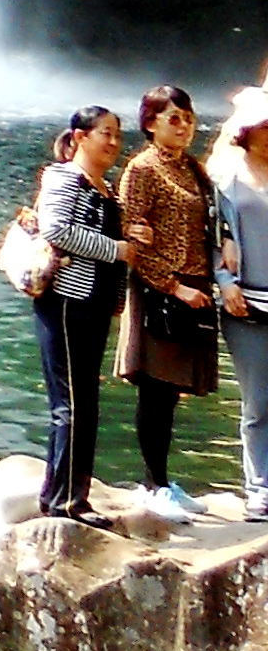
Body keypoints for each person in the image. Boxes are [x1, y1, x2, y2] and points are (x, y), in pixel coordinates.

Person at [118, 83, 224, 520]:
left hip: (194, 289)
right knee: (155, 389)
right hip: (160, 291)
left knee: (172, 391)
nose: (184, 127)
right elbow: (131, 234)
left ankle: (164, 482)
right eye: (173, 119)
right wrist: (172, 285)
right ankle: (152, 484)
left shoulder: (193, 169)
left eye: (188, 119)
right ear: (150, 123)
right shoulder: (142, 169)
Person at [33, 105, 127, 521]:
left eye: (117, 135)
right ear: (80, 137)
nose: (112, 142)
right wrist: (116, 250)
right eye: (105, 133)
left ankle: (64, 495)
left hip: (93, 303)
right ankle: (66, 502)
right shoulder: (64, 178)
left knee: (84, 402)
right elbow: (54, 229)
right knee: (72, 404)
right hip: (67, 302)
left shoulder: (105, 187)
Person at [215, 85, 268, 521]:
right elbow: (211, 240)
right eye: (262, 127)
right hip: (244, 304)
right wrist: (223, 281)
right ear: (245, 133)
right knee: (257, 402)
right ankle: (259, 488)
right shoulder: (226, 184)